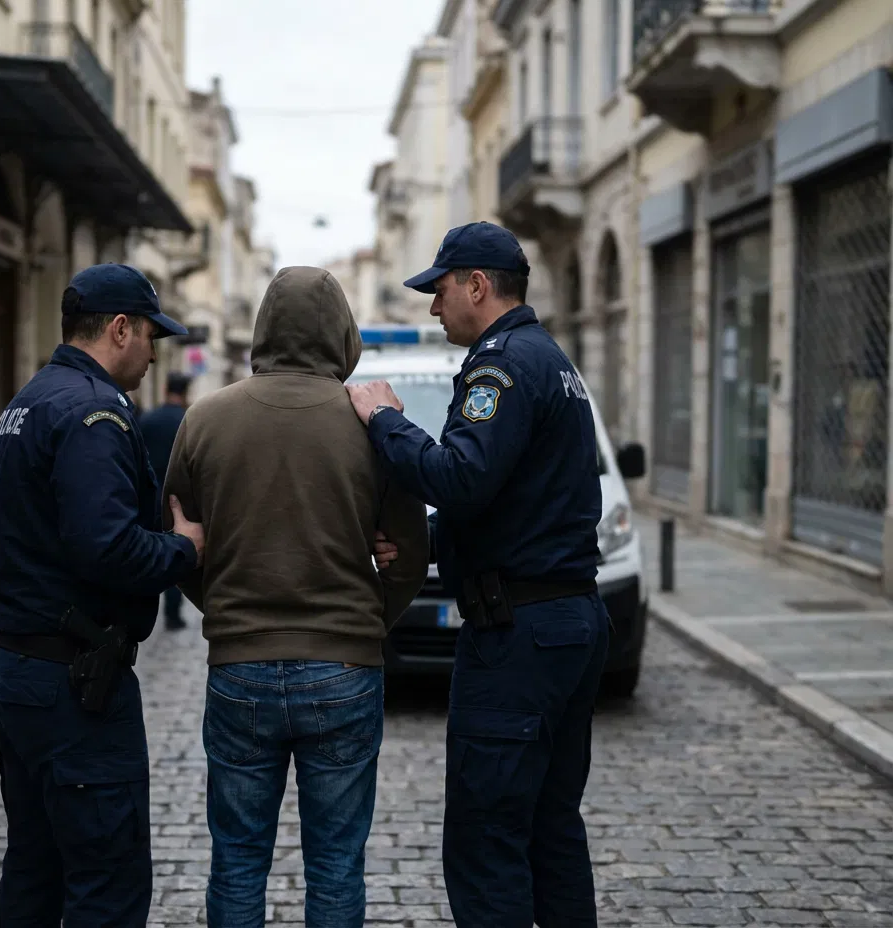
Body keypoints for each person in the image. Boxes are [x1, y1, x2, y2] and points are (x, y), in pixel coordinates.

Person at [346, 222, 609, 928]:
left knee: (487, 836)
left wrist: (387, 422)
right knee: (552, 830)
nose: (433, 307)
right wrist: (422, 542)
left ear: (476, 285)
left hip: (518, 634)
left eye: (439, 291)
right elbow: (516, 503)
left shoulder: (501, 365)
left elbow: (461, 479)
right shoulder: (548, 356)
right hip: (565, 618)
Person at [162, 266, 429, 928]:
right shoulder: (370, 421)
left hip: (239, 666)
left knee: (238, 860)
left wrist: (226, 609)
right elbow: (411, 556)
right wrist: (366, 619)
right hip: (344, 666)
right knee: (337, 864)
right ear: (342, 331)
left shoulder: (205, 419)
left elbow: (179, 541)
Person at [0, 263, 206, 928]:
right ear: (119, 328)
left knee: (35, 865)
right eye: (149, 336)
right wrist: (184, 548)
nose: (153, 351)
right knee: (107, 874)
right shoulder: (93, 412)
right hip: (72, 679)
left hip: (17, 665)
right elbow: (106, 548)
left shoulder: (31, 399)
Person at [138, 371, 193, 630]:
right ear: (185, 392)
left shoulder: (148, 419)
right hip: (176, 501)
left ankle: (142, 609)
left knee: (145, 554)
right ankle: (172, 615)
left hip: (148, 495)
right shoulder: (187, 420)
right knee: (174, 555)